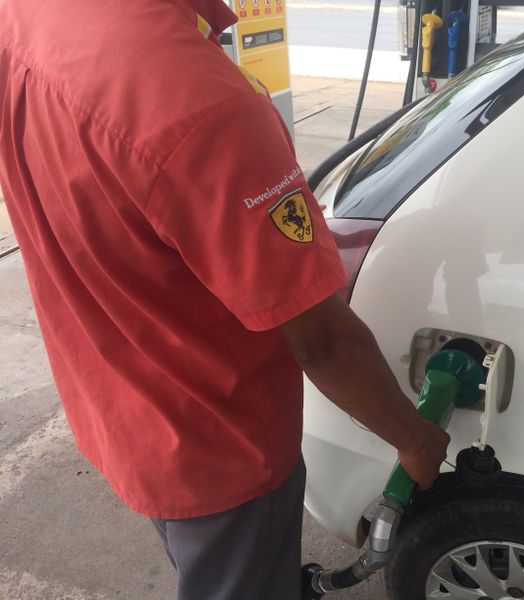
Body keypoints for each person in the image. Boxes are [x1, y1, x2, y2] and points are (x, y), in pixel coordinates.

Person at [0, 1, 450, 598]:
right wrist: (415, 439)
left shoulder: (27, 15)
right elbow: (322, 342)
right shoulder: (200, 105)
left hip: (117, 407)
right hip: (220, 447)